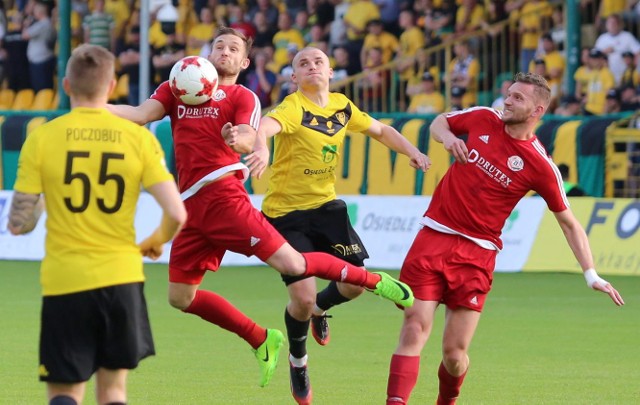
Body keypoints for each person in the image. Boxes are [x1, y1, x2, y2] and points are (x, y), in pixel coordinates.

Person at [107, 27, 415, 390]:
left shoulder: (243, 96)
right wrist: (92, 107)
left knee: (295, 266)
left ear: (244, 61)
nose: (224, 51)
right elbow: (142, 114)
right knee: (180, 297)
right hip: (189, 206)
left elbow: (251, 133)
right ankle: (261, 339)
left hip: (224, 198)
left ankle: (373, 280)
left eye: (233, 48)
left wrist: (244, 141)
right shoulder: (180, 85)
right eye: (218, 45)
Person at [385, 72, 625, 405]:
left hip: (477, 256)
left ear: (538, 111)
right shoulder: (484, 117)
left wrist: (591, 274)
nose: (507, 101)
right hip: (433, 238)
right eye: (508, 94)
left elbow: (569, 223)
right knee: (414, 327)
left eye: (517, 98)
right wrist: (448, 139)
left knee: (454, 354)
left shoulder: (540, 165)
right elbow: (440, 122)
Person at [250, 46, 431, 405]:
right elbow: (265, 127)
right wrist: (261, 148)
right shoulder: (292, 107)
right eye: (303, 63)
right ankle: (298, 361)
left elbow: (380, 131)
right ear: (294, 77)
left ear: (331, 72)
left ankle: (320, 310)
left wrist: (412, 150)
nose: (311, 67)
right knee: (300, 299)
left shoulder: (342, 106)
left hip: (327, 210)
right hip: (285, 215)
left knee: (353, 287)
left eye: (318, 62)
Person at [8, 44, 187, 405]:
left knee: (63, 392)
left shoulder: (42, 137)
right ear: (111, 87)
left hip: (65, 281)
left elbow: (18, 224)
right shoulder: (138, 138)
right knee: (114, 393)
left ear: (66, 85)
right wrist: (155, 239)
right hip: (121, 278)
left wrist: (46, 197)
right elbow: (178, 214)